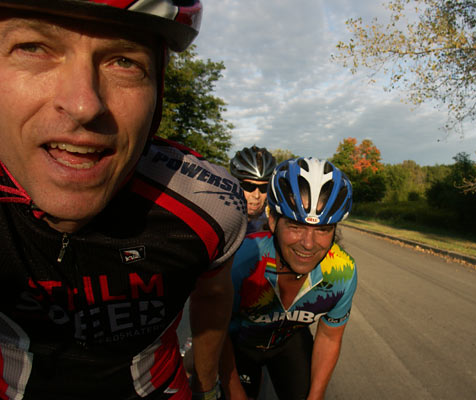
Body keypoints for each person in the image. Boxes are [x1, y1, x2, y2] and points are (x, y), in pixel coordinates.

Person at [0, 1, 247, 399]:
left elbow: (214, 296)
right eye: (33, 47)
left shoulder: (211, 207)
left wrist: (208, 386)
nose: (84, 105)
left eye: (123, 61)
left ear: (157, 92)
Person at [220, 157, 357, 400]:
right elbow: (215, 330)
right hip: (238, 345)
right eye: (295, 225)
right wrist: (232, 390)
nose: (308, 244)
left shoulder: (342, 272)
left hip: (289, 342)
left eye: (323, 229)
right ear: (272, 221)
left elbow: (329, 337)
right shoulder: (243, 262)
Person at [229, 146, 276, 234]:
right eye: (248, 187)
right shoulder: (222, 218)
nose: (256, 195)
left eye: (264, 187)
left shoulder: (275, 224)